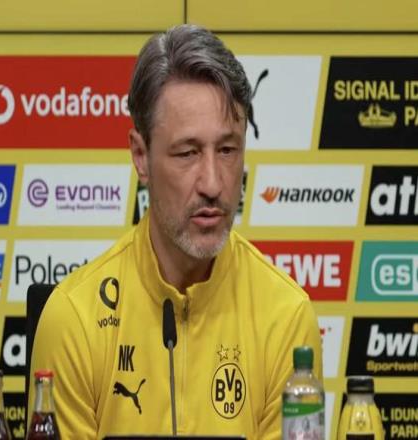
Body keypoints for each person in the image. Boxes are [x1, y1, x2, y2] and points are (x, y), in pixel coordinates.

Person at [29, 24, 322, 439]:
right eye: (187, 153)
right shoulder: (73, 318)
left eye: (227, 150)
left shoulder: (286, 317)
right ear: (141, 156)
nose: (213, 183)